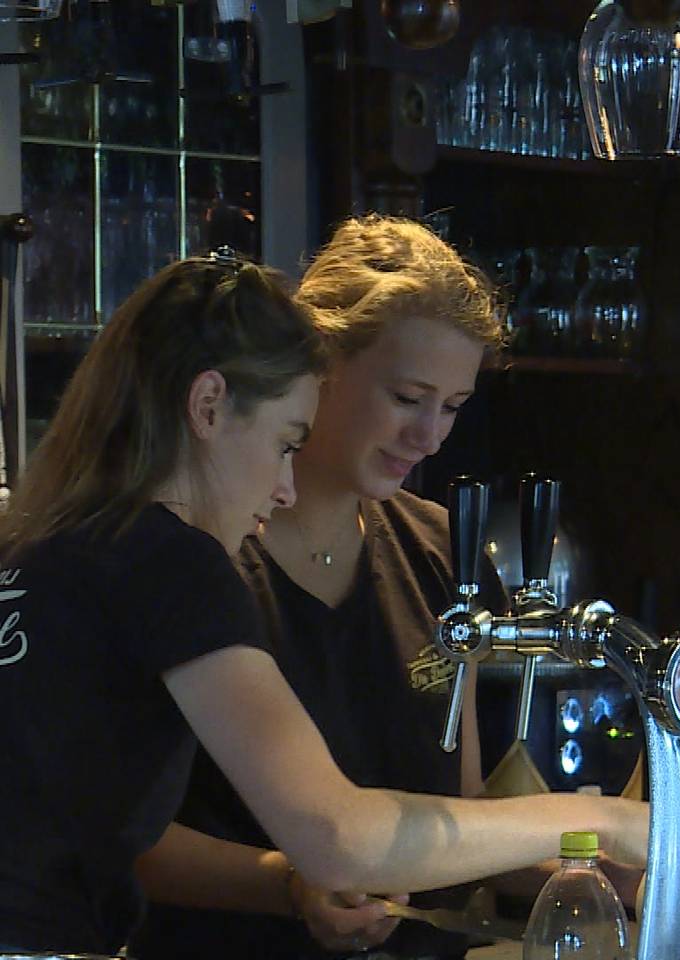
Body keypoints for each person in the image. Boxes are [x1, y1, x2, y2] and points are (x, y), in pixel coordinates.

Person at [0, 254, 665, 958]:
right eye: (287, 440)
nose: (284, 487)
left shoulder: (48, 540)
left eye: (453, 407)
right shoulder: (173, 559)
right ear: (208, 406)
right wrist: (600, 820)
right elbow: (339, 836)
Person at [130, 215, 508, 960]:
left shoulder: (438, 547)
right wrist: (289, 884)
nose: (430, 434)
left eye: (454, 407)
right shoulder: (192, 556)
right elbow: (122, 831)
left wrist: (598, 856)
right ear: (320, 365)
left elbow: (460, 813)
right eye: (407, 398)